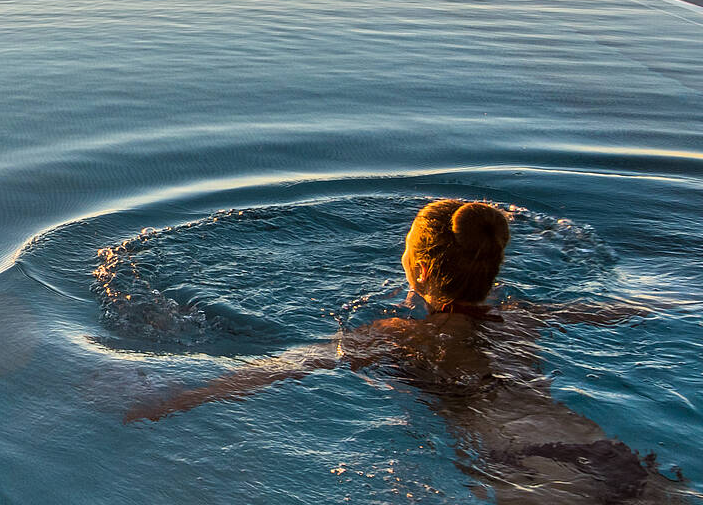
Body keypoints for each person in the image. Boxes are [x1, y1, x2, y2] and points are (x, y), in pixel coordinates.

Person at [125, 199, 687, 503]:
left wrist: (168, 400)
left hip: (524, 468)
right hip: (603, 448)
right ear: (494, 267)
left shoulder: (397, 334)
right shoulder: (526, 317)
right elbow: (633, 309)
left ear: (417, 270)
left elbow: (279, 371)